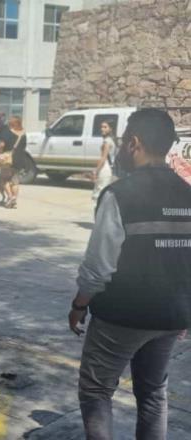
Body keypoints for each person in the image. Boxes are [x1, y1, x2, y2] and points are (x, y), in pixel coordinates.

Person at [69, 109, 191, 440]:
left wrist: (79, 305)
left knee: (96, 391)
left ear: (134, 143)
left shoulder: (119, 194)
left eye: (124, 141)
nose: (122, 148)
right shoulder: (187, 193)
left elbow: (98, 266)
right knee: (153, 393)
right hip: (171, 316)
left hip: (123, 315)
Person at [0, 115, 27, 209]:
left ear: (11, 123)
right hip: (19, 159)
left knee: (4, 179)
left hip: (7, 159)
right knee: (15, 181)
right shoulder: (23, 133)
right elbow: (24, 147)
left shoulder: (7, 132)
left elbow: (1, 145)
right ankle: (14, 200)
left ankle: (10, 197)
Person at [91, 120, 117, 206]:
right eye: (101, 127)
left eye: (105, 127)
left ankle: (98, 216)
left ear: (110, 129)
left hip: (104, 169)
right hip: (109, 168)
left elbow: (103, 158)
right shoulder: (111, 140)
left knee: (99, 193)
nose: (102, 129)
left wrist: (96, 171)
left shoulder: (107, 141)